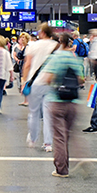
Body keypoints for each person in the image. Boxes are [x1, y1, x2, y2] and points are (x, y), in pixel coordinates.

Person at [38, 33, 84, 177]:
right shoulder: (74, 58)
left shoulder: (55, 57)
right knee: (68, 135)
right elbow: (81, 79)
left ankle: (62, 170)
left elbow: (47, 78)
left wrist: (55, 82)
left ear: (59, 42)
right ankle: (79, 158)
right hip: (73, 103)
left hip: (57, 101)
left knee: (59, 137)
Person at [22, 23, 59, 152]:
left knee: (34, 113)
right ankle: (48, 144)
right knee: (49, 114)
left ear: (42, 32)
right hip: (51, 84)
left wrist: (24, 81)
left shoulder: (33, 45)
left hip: (35, 83)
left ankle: (33, 139)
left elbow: (27, 64)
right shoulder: (56, 46)